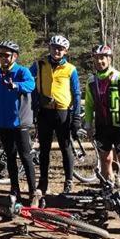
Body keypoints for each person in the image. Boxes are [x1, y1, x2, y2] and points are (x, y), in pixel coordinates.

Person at [84, 44, 120, 194]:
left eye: (102, 58)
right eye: (96, 58)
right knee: (105, 160)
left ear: (109, 59)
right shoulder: (91, 81)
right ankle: (108, 192)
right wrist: (88, 125)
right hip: (102, 128)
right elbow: (89, 105)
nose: (99, 61)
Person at [31, 34, 83, 195]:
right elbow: (25, 77)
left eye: (60, 49)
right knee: (44, 149)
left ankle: (68, 181)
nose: (57, 51)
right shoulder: (39, 64)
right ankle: (43, 182)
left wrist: (75, 117)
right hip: (44, 111)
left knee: (65, 147)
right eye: (54, 47)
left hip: (63, 112)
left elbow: (76, 93)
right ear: (50, 48)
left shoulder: (70, 69)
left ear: (66, 51)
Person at [0, 40, 38, 206]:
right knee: (10, 158)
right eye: (1, 54)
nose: (3, 57)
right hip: (3, 124)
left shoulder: (22, 71)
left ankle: (33, 192)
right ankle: (14, 190)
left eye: (6, 55)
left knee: (25, 157)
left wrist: (16, 85)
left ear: (14, 56)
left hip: (20, 123)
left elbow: (31, 85)